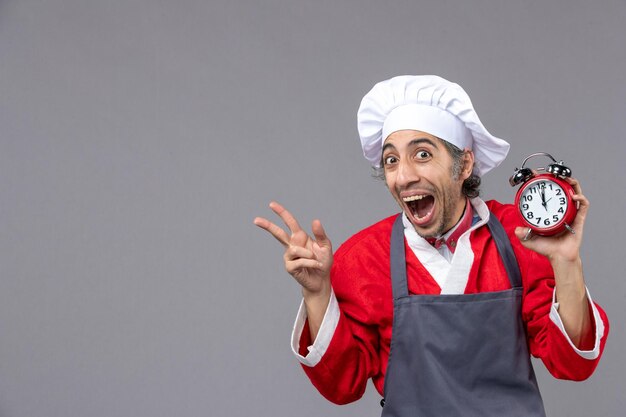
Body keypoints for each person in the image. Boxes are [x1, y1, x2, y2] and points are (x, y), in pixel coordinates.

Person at [254, 75, 609, 417]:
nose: (404, 175)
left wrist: (566, 262)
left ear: (464, 164)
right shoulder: (364, 257)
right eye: (392, 160)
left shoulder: (521, 236)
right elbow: (342, 386)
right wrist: (317, 294)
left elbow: (573, 365)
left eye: (422, 154)